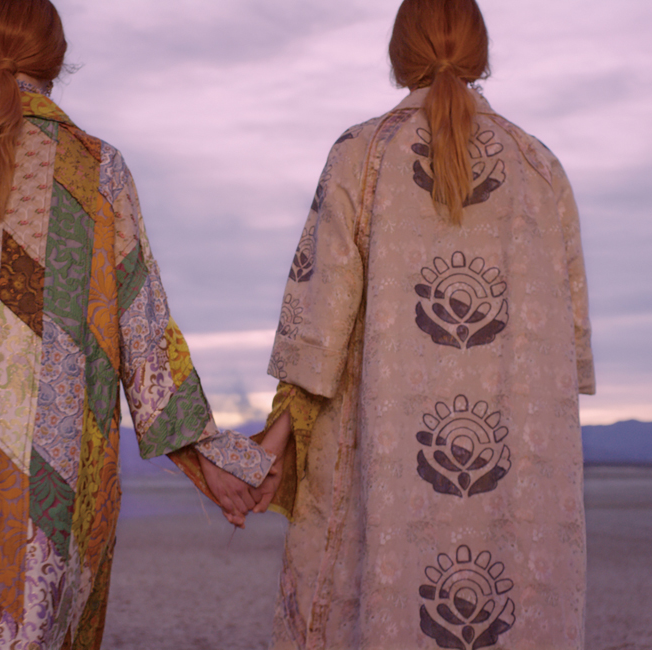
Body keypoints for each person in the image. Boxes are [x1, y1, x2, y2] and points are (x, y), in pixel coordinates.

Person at [0, 0, 271, 646]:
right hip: (45, 491)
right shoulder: (97, 169)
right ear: (57, 61)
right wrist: (216, 458)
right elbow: (143, 334)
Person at [250, 0, 595, 648]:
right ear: (481, 56)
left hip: (383, 479)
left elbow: (316, 331)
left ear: (398, 56)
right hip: (519, 485)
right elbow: (566, 355)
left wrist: (273, 444)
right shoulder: (542, 169)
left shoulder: (360, 155)